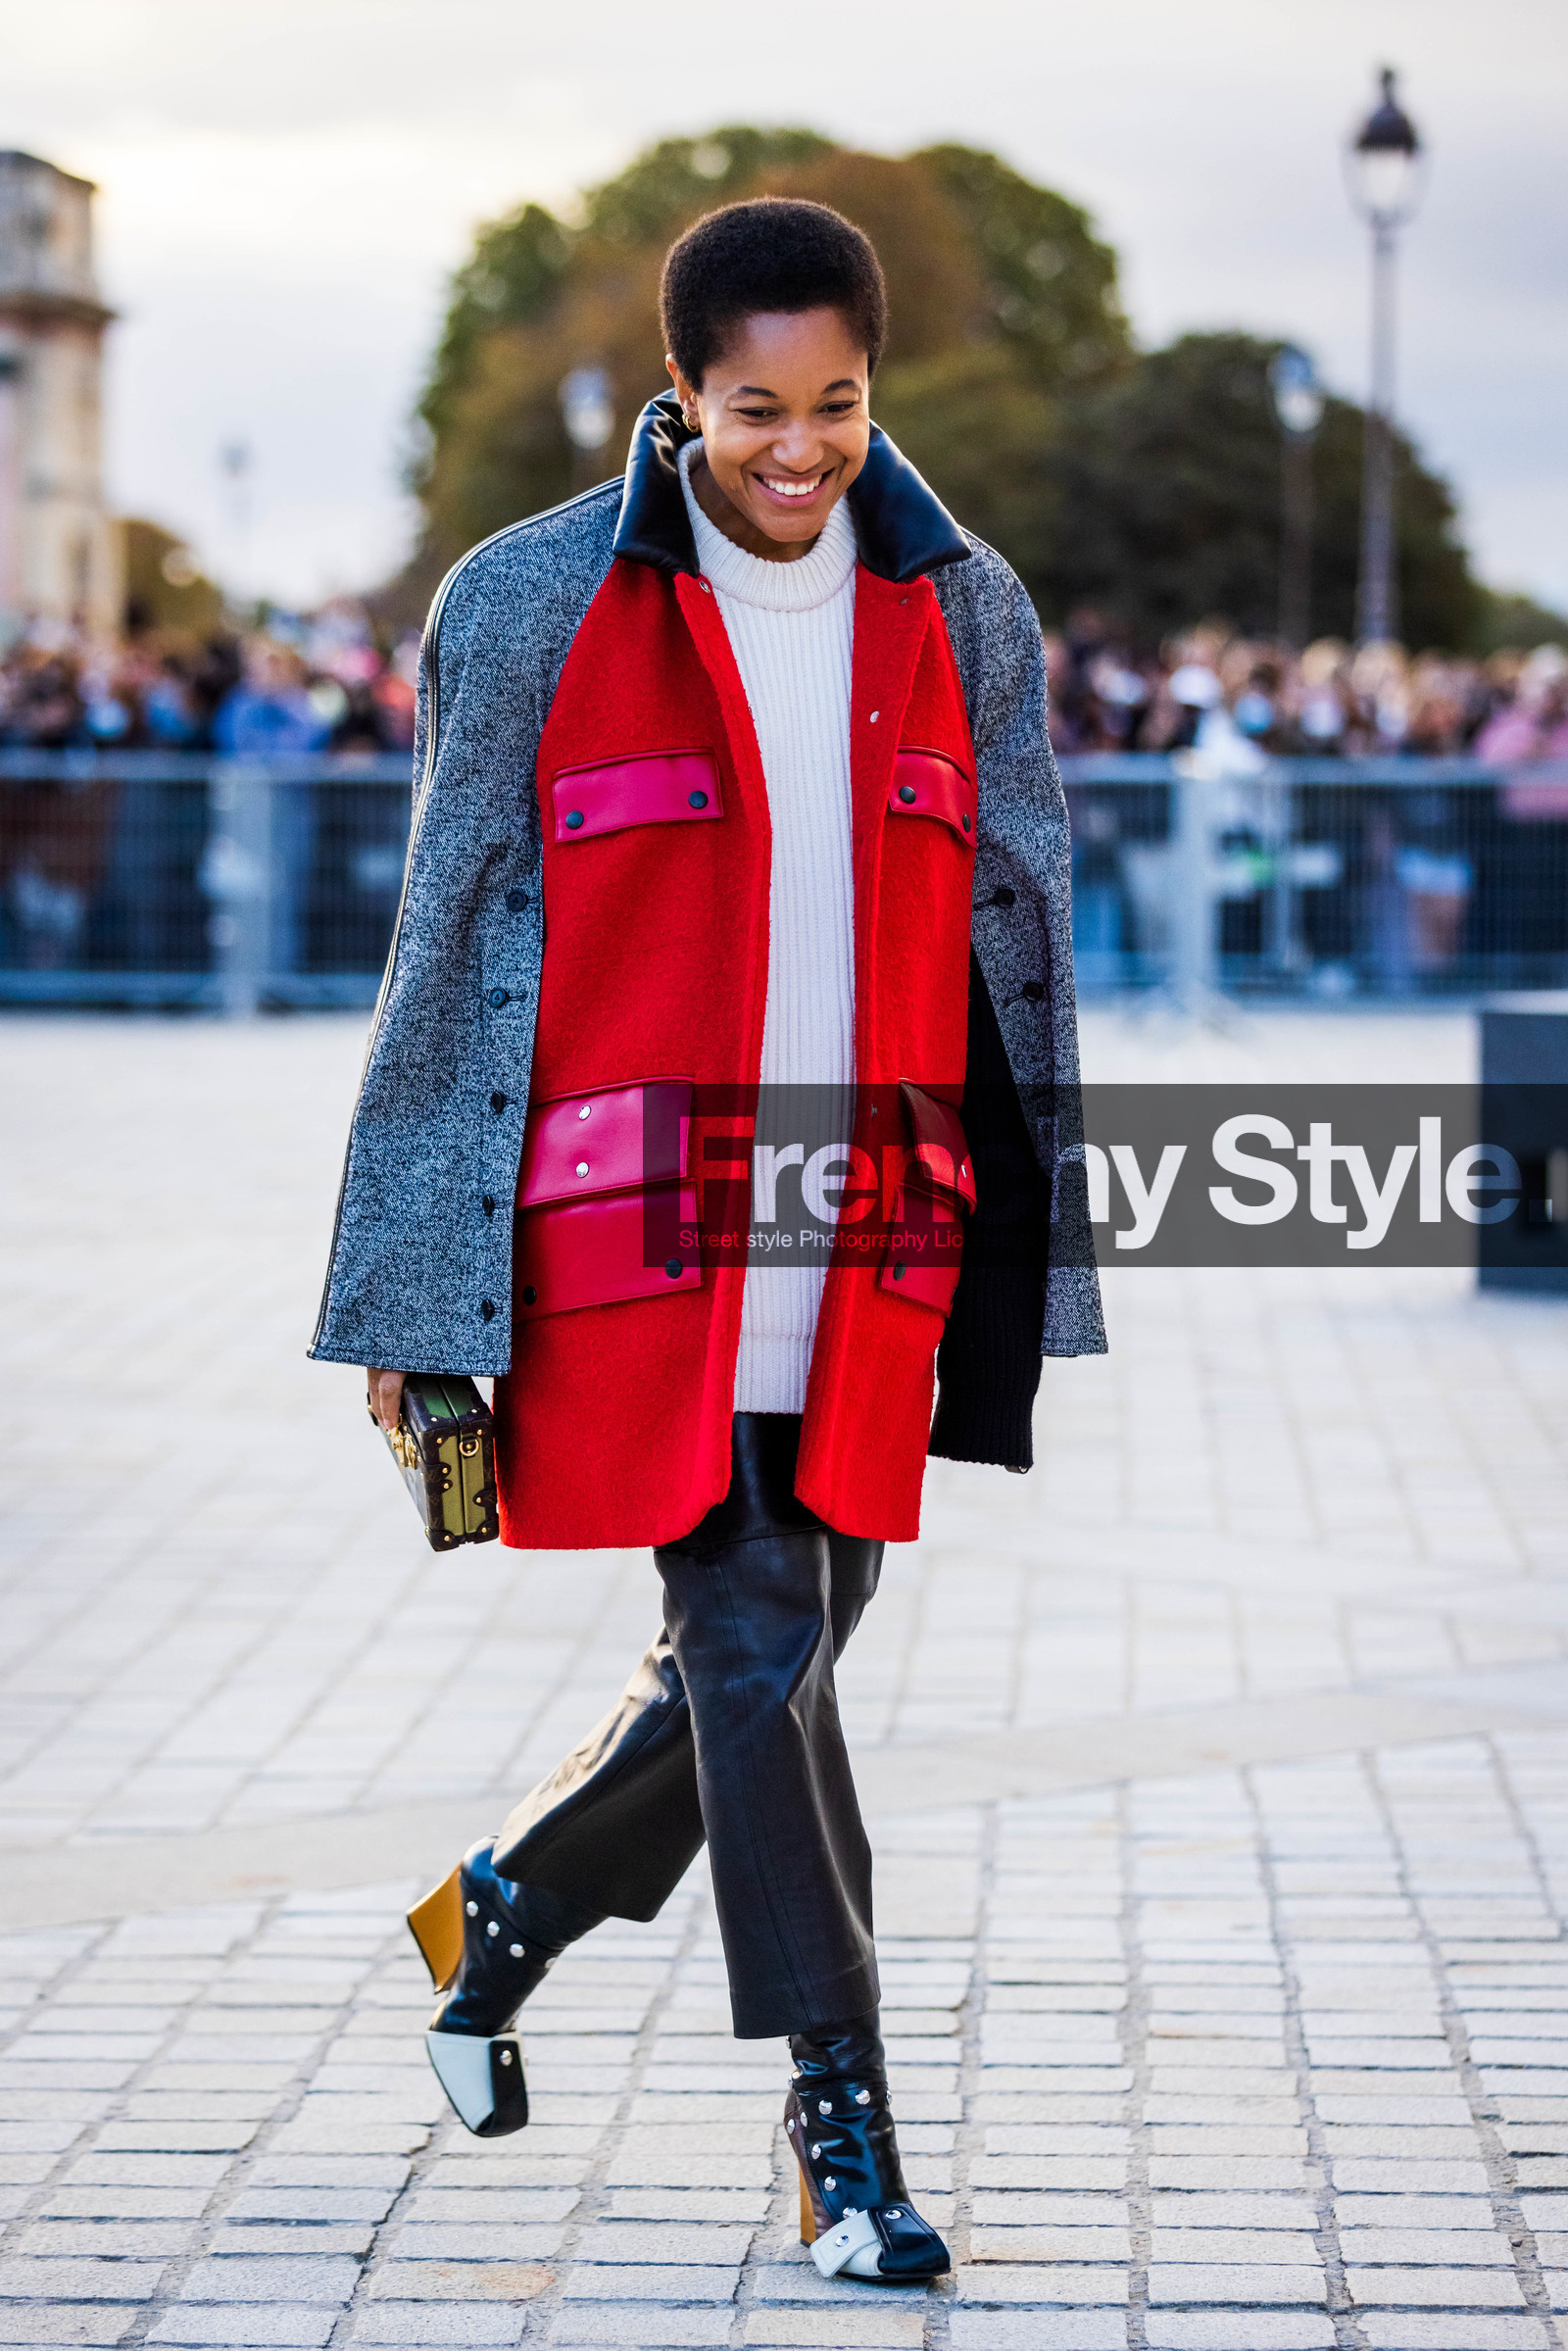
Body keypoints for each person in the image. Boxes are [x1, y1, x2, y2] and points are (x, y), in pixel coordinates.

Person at [312, 198, 1103, 2285]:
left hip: (870, 1209)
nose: (798, 450)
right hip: (637, 1220)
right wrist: (412, 1285)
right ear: (681, 398)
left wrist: (1039, 1242)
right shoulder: (528, 603)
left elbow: (1010, 938)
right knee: (757, 1633)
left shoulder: (966, 608)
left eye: (835, 405)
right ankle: (841, 2132)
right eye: (754, 408)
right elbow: (450, 947)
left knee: (769, 1645)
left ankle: (497, 1914)